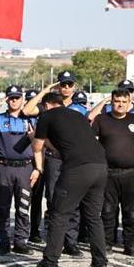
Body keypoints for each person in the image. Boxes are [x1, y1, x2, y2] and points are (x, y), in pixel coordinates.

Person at [26, 92, 110, 267]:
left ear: (46, 105)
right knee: (93, 218)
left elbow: (37, 147)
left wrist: (34, 136)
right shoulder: (77, 115)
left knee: (59, 214)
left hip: (77, 169)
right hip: (100, 167)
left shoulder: (46, 116)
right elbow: (66, 144)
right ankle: (100, 265)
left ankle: (49, 264)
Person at [25, 72, 88, 255]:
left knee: (74, 200)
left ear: (74, 87)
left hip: (73, 159)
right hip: (53, 158)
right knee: (53, 199)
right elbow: (27, 111)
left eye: (69, 85)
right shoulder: (48, 106)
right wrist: (45, 90)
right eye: (63, 85)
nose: (66, 88)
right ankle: (53, 240)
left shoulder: (80, 109)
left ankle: (71, 241)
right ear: (58, 87)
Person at [92, 88, 134, 256]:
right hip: (108, 173)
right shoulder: (101, 120)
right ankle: (106, 243)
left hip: (131, 174)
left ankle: (131, 245)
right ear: (111, 102)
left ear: (129, 103)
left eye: (124, 102)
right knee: (108, 210)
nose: (120, 104)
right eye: (117, 101)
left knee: (131, 211)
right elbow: (93, 145)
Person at [0, 85, 35, 255]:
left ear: (22, 99)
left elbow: (39, 145)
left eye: (17, 98)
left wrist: (38, 168)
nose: (13, 101)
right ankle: (3, 241)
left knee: (23, 206)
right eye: (11, 98)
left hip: (25, 168)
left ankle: (20, 241)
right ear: (7, 99)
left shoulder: (30, 120)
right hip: (4, 168)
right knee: (2, 207)